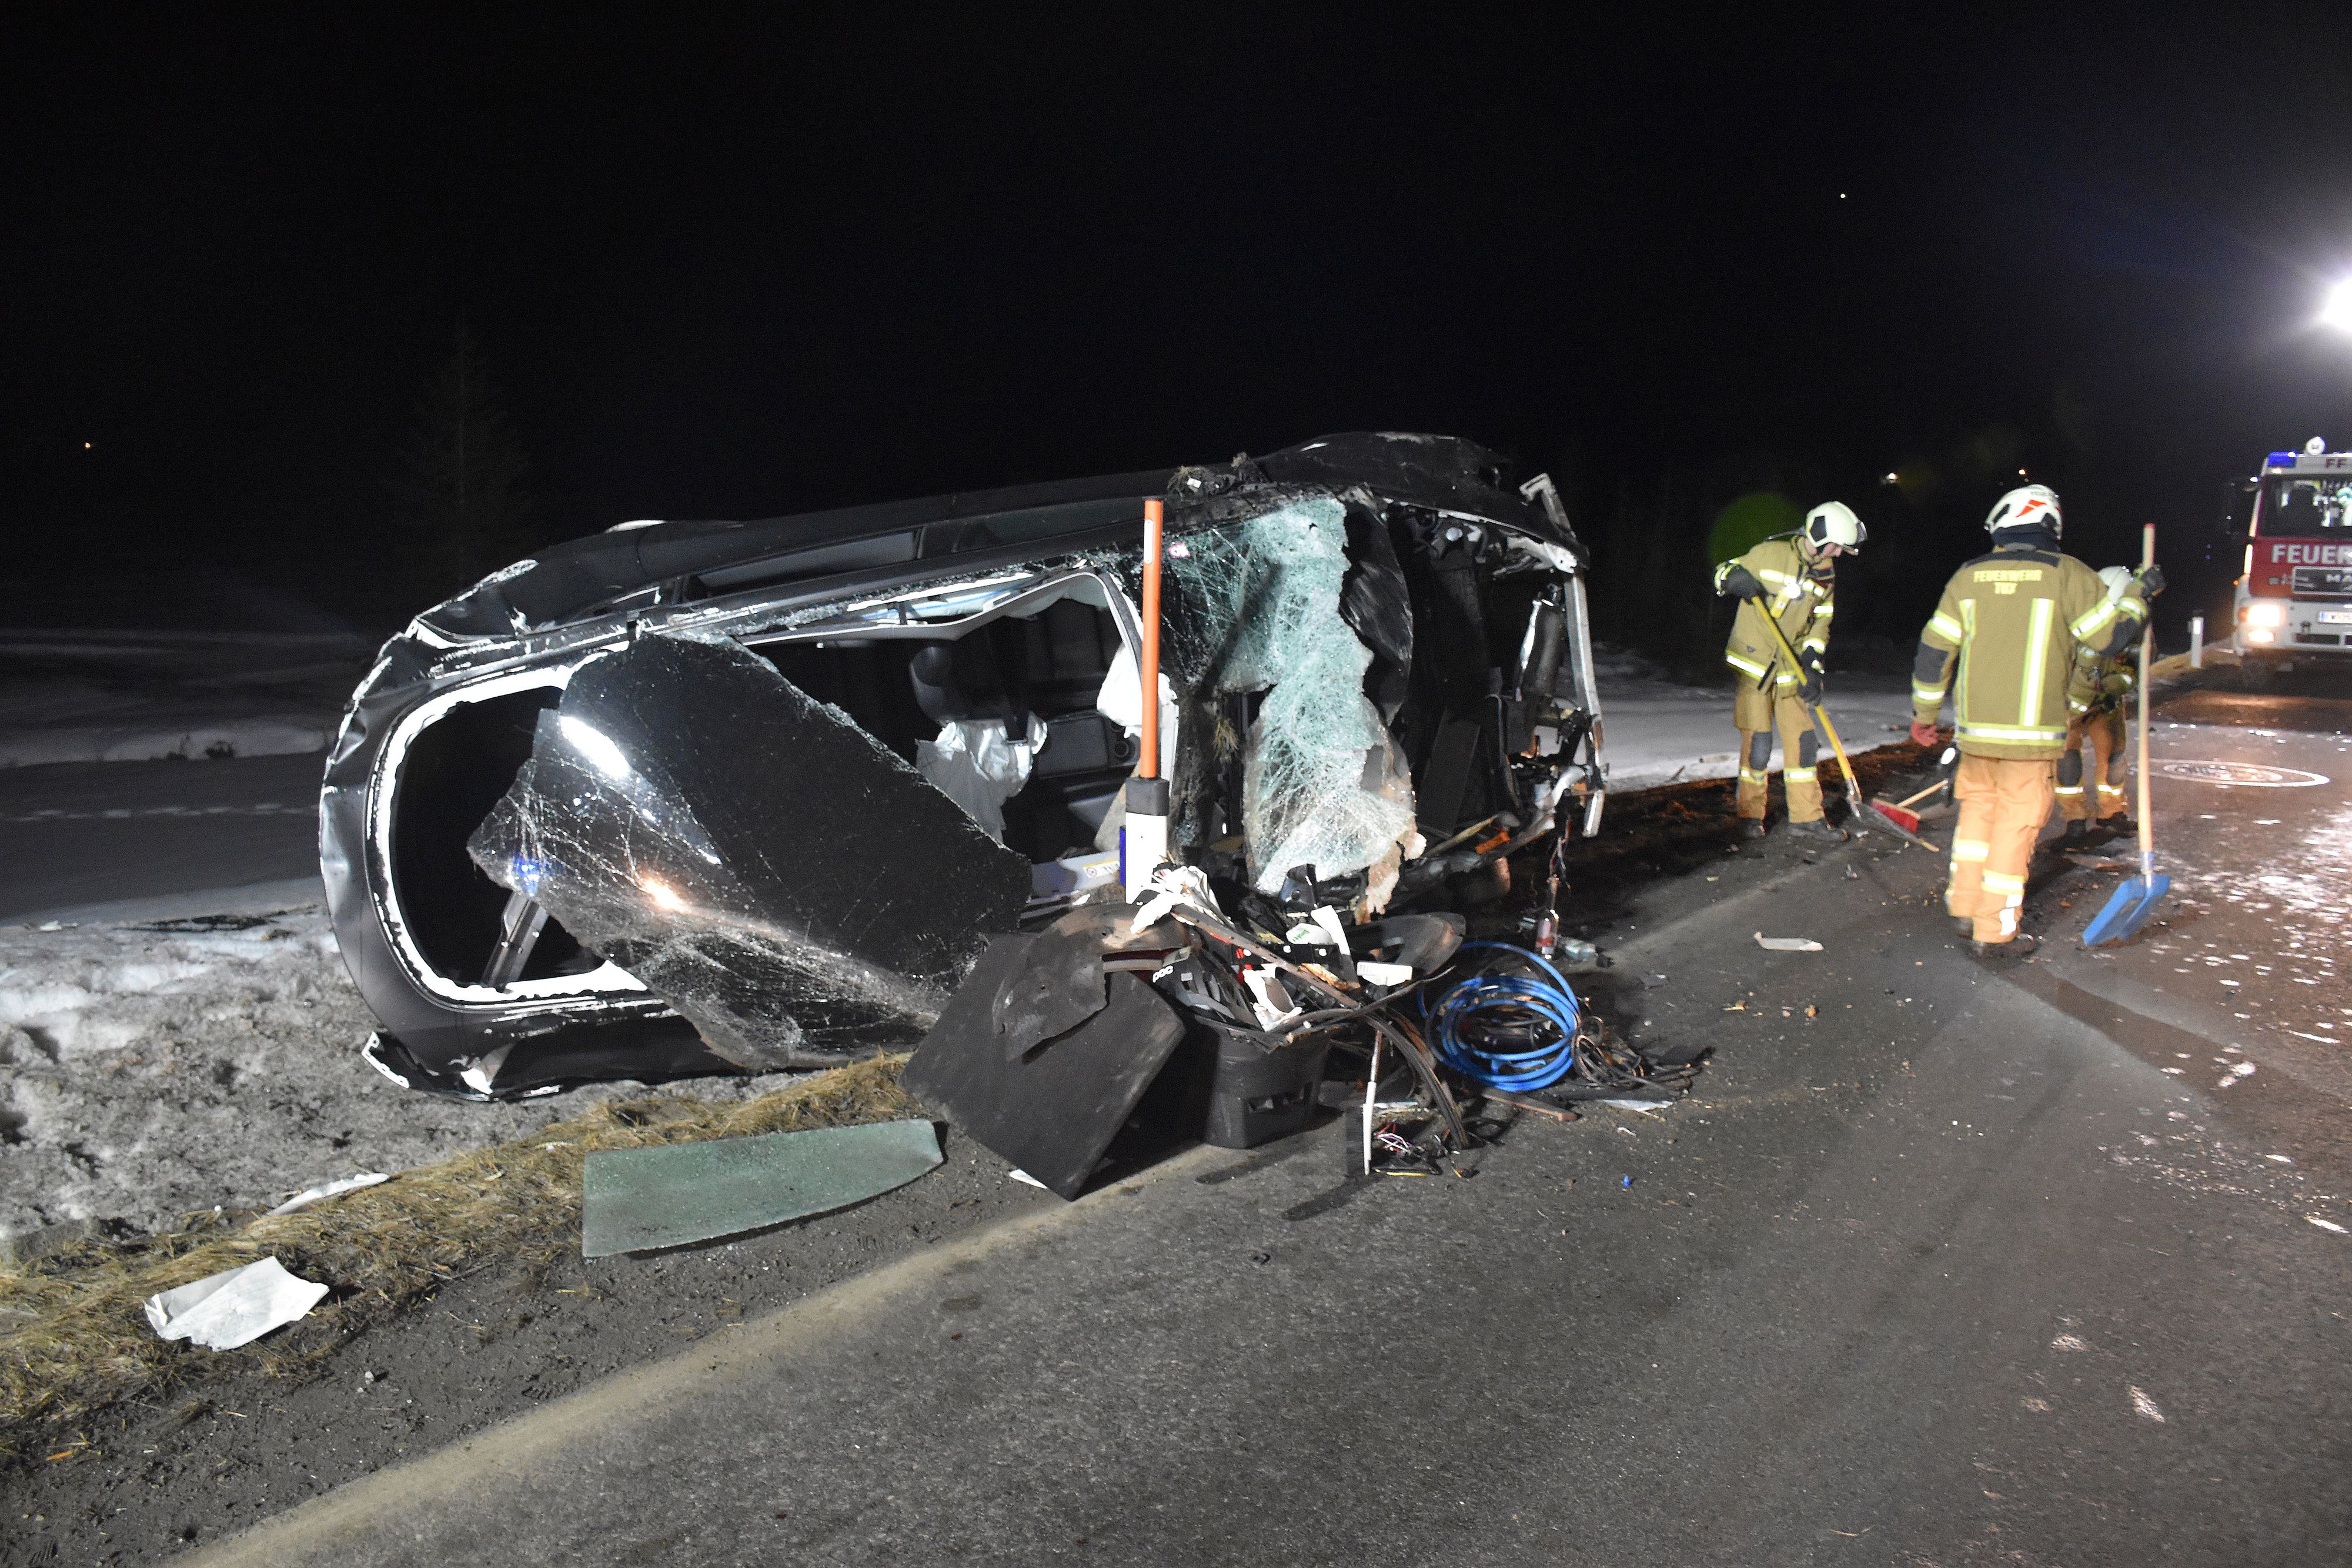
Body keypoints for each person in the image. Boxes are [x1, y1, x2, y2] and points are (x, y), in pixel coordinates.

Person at [1909, 486, 2157, 958]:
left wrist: (1924, 716)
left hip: (1976, 735)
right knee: (2015, 828)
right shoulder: (2071, 576)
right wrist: (2139, 597)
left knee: (1977, 819)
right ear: (2051, 524)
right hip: (2032, 738)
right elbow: (2109, 639)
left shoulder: (1968, 576)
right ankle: (1996, 932)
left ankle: (1965, 907)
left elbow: (1934, 650)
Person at [1712, 502, 1864, 842]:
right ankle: (1750, 816)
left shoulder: (1825, 572)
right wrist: (1733, 578)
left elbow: (1821, 622)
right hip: (1755, 665)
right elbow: (1724, 571)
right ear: (1819, 534)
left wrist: (1812, 666)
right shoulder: (1769, 554)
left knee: (1804, 742)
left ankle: (1808, 818)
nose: (1838, 553)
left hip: (1790, 668)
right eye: (1836, 545)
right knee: (1759, 745)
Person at [2054, 566, 2141, 847]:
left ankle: (2112, 812)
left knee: (2115, 759)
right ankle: (2075, 818)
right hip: (2070, 703)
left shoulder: (2131, 631)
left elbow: (2133, 672)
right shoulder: (2074, 621)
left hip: (2106, 705)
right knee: (2067, 760)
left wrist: (2111, 686)